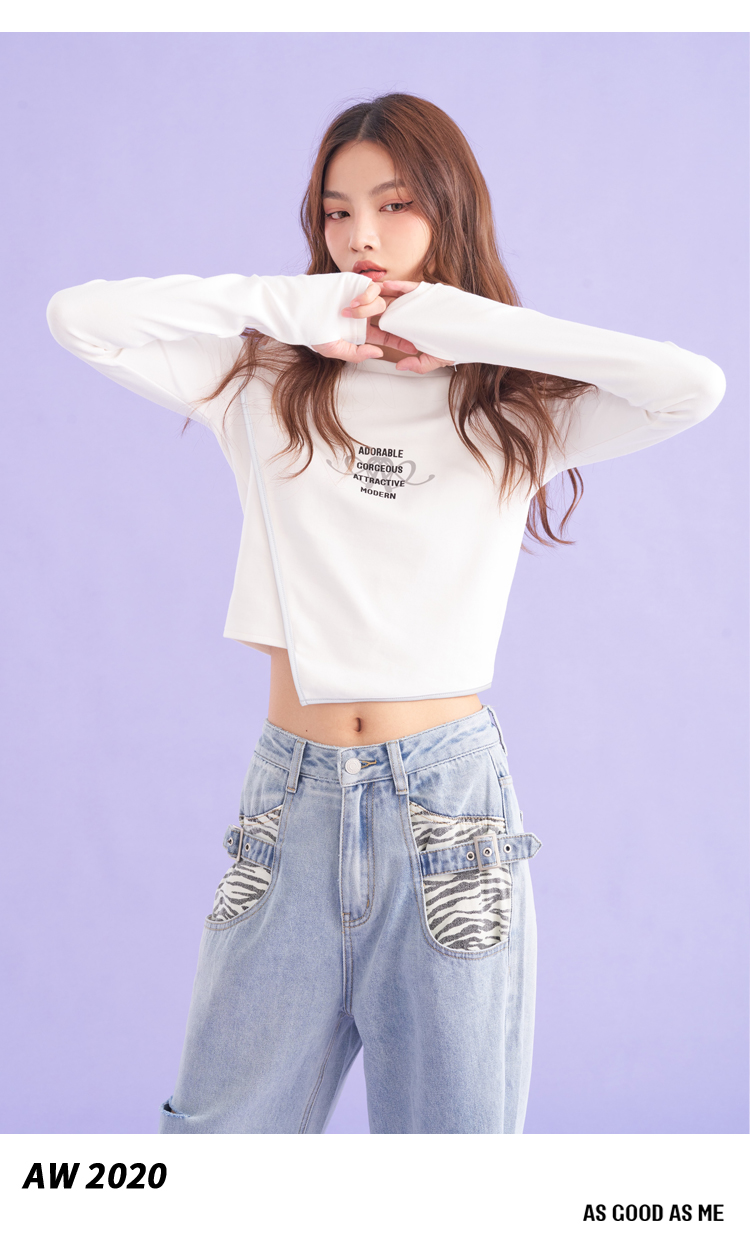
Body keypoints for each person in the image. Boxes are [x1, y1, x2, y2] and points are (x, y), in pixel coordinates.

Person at [46, 93, 726, 1135]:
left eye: (395, 205)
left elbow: (693, 386)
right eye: (337, 212)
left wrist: (461, 323)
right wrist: (295, 307)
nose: (361, 236)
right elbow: (77, 318)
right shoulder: (263, 381)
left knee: (451, 1162)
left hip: (448, 814)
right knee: (214, 1150)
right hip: (292, 804)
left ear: (449, 208)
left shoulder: (511, 407)